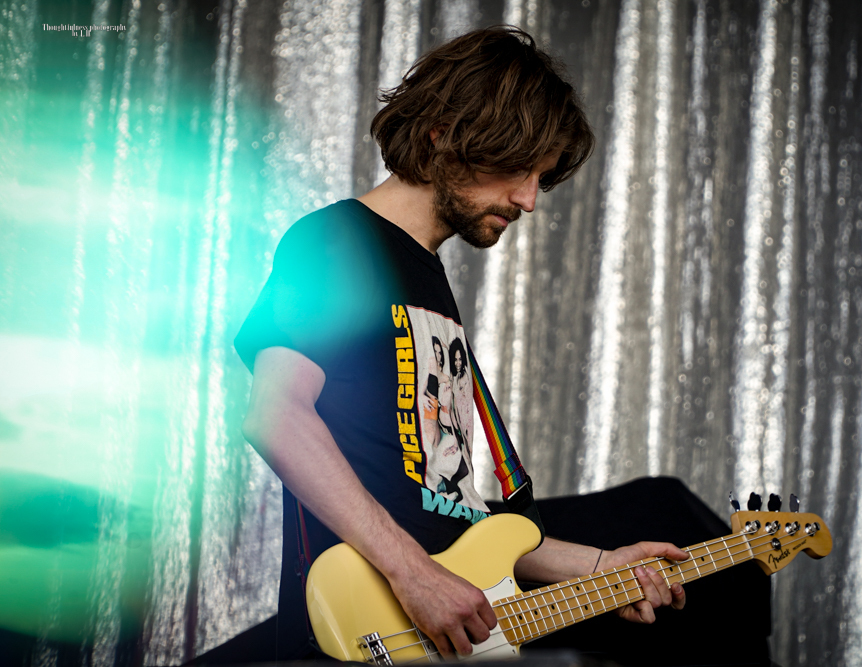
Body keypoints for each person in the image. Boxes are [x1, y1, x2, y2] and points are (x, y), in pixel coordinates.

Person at [231, 26, 692, 663]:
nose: (528, 199)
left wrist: (602, 566)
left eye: (540, 177)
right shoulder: (336, 242)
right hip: (363, 631)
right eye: (516, 168)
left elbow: (454, 515)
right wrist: (413, 573)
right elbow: (277, 416)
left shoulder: (427, 279)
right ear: (442, 135)